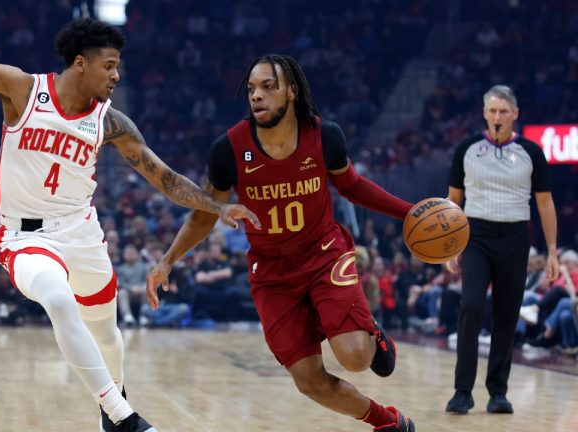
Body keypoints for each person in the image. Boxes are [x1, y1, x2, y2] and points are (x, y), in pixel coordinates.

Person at [0, 2, 259, 431]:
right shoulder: (22, 90)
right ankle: (124, 419)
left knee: (106, 335)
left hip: (83, 235)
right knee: (58, 299)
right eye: (110, 66)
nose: (116, 76)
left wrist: (216, 205)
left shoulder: (111, 122)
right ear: (80, 64)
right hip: (26, 239)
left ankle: (112, 406)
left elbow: (165, 178)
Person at [146, 54, 416, 432]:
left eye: (268, 87)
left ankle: (371, 331)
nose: (257, 96)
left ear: (291, 91)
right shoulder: (228, 150)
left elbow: (352, 186)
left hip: (324, 254)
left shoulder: (324, 135)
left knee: (355, 358)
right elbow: (205, 211)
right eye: (252, 89)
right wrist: (167, 260)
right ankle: (385, 421)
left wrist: (409, 212)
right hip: (272, 273)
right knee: (308, 380)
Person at [444, 85, 559, 415]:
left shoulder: (531, 151)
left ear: (515, 115)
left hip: (514, 237)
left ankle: (498, 392)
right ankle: (462, 391)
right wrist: (450, 243)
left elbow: (544, 202)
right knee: (472, 307)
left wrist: (551, 251)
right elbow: (453, 200)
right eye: (492, 111)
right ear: (484, 113)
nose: (497, 117)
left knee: (507, 315)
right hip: (476, 234)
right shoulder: (467, 149)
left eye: (503, 111)